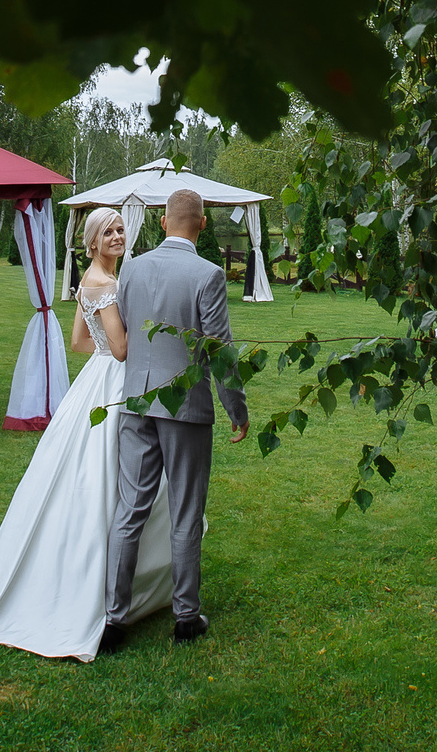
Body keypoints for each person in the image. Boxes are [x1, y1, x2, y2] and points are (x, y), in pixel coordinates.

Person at [0, 208, 181, 660]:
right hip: (115, 382)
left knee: (89, 481)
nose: (116, 237)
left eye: (119, 230)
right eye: (107, 233)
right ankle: (104, 591)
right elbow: (119, 349)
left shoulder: (89, 281)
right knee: (116, 483)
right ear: (92, 242)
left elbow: (81, 342)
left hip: (91, 384)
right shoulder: (107, 284)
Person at [103, 188, 248, 652]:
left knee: (130, 511)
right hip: (185, 409)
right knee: (186, 512)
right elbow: (219, 352)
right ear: (202, 226)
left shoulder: (134, 267)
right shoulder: (208, 274)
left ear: (163, 223)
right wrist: (237, 409)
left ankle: (113, 618)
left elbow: (123, 332)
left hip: (136, 403)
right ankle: (186, 617)